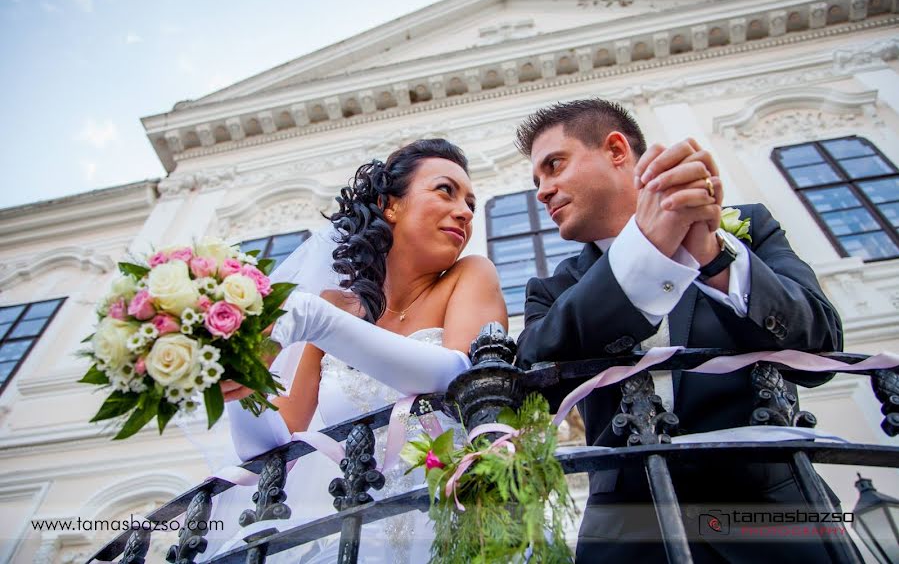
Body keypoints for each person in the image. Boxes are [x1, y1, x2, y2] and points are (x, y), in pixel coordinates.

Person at [513, 99, 850, 563]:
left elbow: (822, 352)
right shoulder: (552, 291)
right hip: (626, 536)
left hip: (772, 519)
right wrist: (646, 253)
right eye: (537, 180)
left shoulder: (747, 229)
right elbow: (536, 380)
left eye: (554, 166)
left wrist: (715, 259)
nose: (542, 191)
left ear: (615, 150)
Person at [203, 138, 508, 563]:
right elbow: (271, 448)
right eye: (446, 190)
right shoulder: (332, 306)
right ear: (390, 205)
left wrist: (319, 322)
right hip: (357, 534)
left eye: (471, 203)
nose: (465, 212)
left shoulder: (470, 275)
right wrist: (240, 376)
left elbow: (455, 376)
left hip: (452, 526)